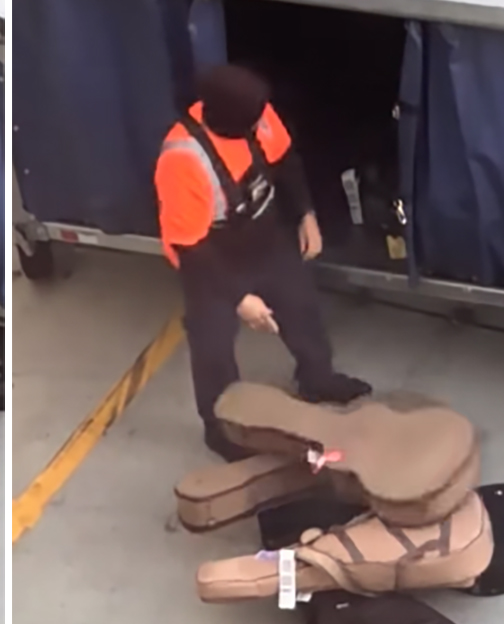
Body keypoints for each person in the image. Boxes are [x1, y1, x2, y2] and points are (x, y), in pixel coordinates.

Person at [153, 64, 371, 461]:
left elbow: (286, 162)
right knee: (213, 345)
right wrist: (239, 298)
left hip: (265, 237)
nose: (262, 122)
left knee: (302, 308)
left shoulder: (254, 111)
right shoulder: (182, 160)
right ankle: (220, 428)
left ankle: (316, 379)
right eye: (253, 119)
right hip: (210, 255)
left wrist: (307, 214)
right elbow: (190, 249)